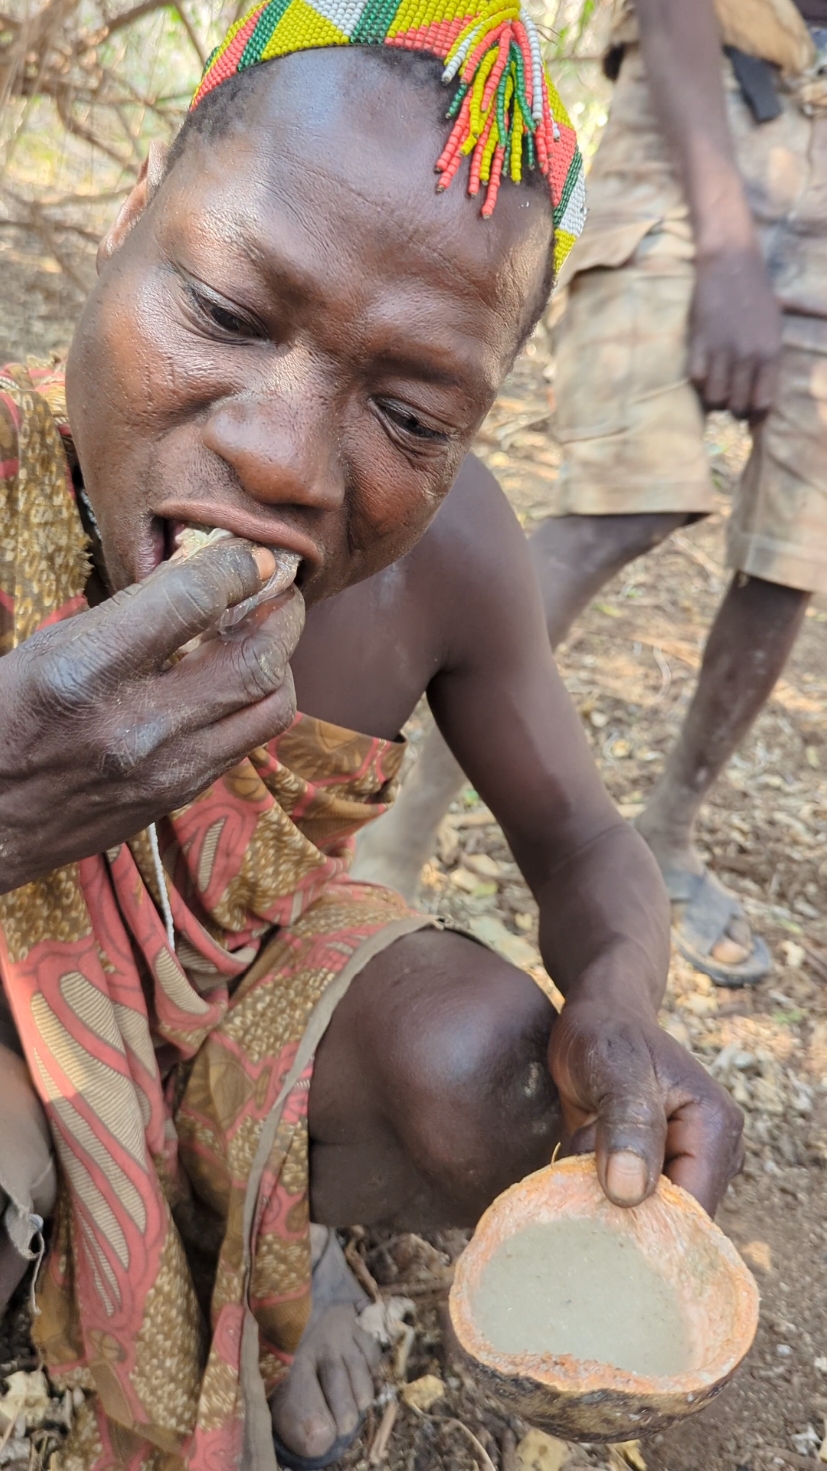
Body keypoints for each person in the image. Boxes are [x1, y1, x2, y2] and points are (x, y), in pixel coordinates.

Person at [0, 6, 743, 1468]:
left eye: (404, 411)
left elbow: (583, 837)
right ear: (130, 220)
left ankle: (286, 1225)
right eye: (220, 312)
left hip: (261, 989)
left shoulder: (452, 555)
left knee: (490, 1068)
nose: (280, 455)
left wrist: (616, 988)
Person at [355, 0, 827, 989]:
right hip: (705, 115)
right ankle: (392, 840)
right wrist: (728, 249)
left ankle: (668, 832)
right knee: (623, 499)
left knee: (791, 554)